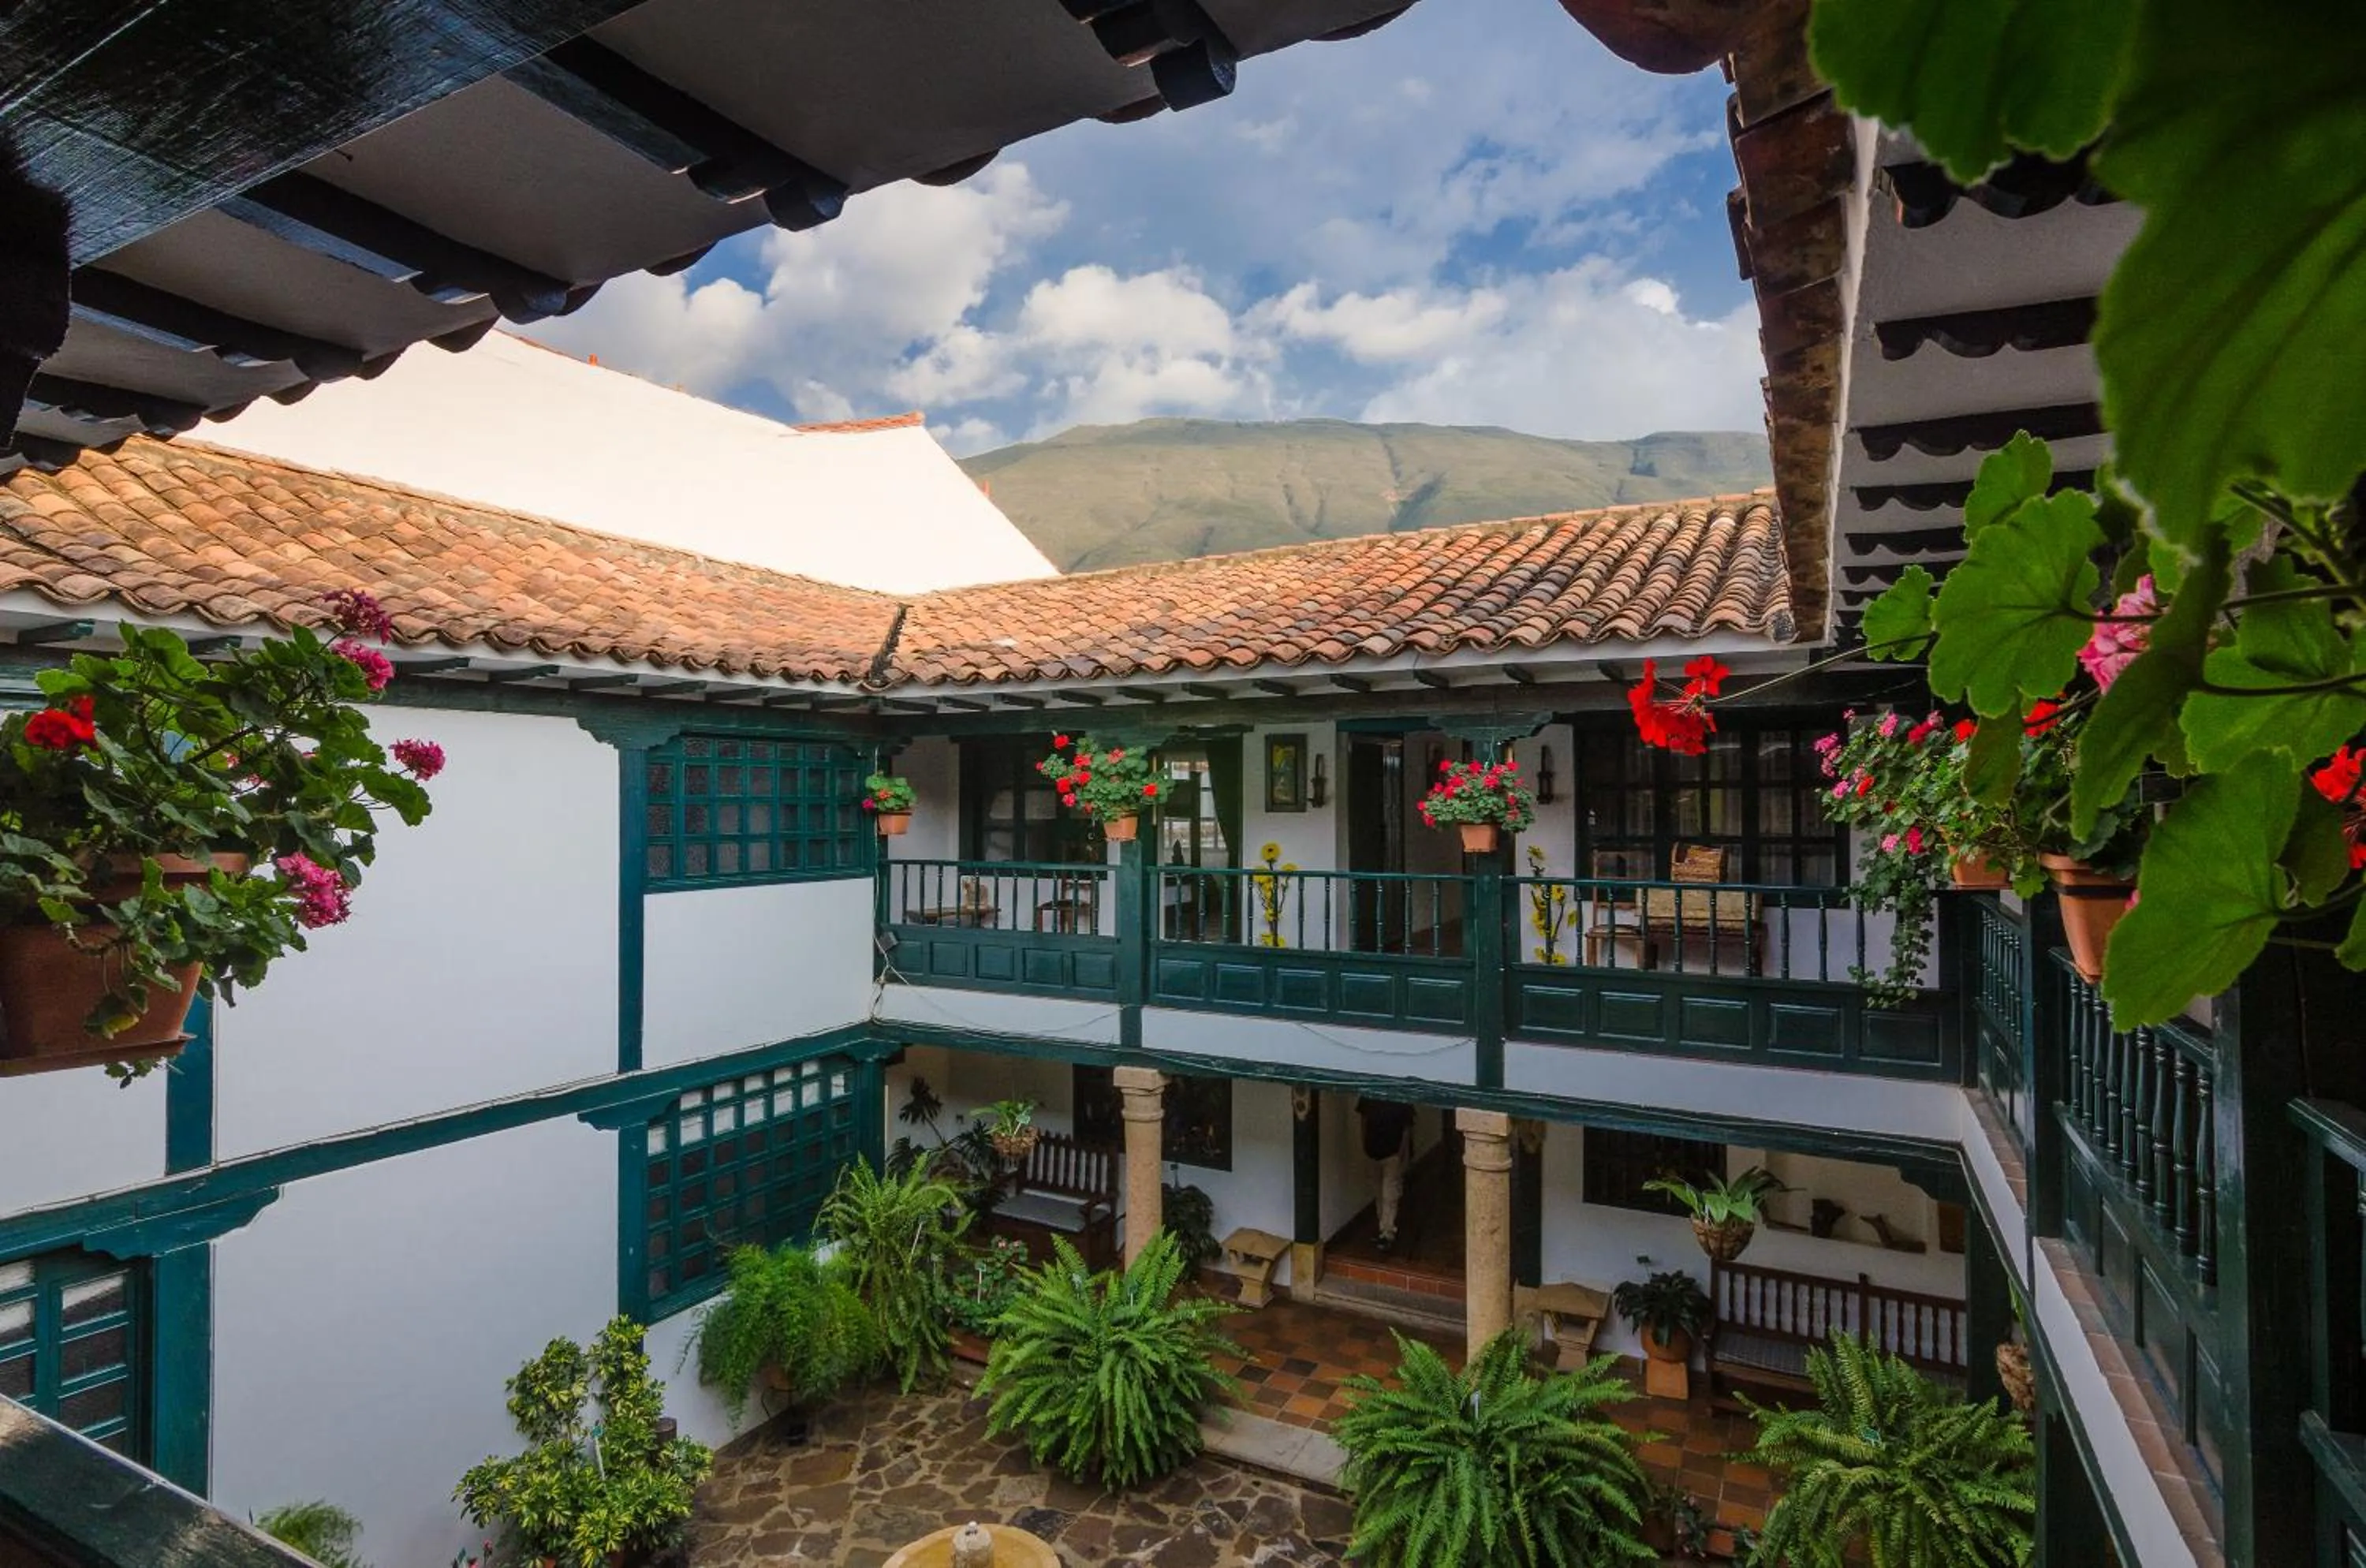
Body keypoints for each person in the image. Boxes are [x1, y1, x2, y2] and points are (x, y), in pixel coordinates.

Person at [1356, 1096, 1416, 1252]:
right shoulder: (1370, 1095)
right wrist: (1364, 1144)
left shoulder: (1399, 1096)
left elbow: (1406, 1129)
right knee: (1380, 1193)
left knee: (1389, 1194)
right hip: (1374, 1151)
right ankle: (1383, 1229)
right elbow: (1364, 1120)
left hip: (1390, 1153)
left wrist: (1401, 1154)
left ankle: (1387, 1231)